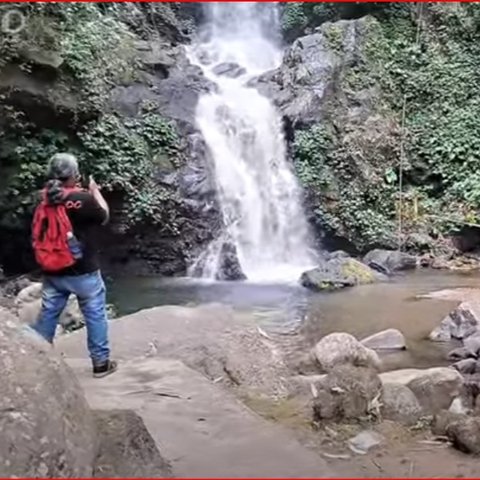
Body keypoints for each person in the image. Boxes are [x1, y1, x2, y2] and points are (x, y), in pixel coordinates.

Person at [31, 153, 117, 378]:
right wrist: (95, 190)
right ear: (73, 176)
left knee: (48, 314)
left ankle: (37, 361)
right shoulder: (83, 199)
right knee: (95, 313)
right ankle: (101, 364)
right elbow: (104, 216)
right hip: (83, 270)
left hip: (52, 268)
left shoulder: (42, 198)